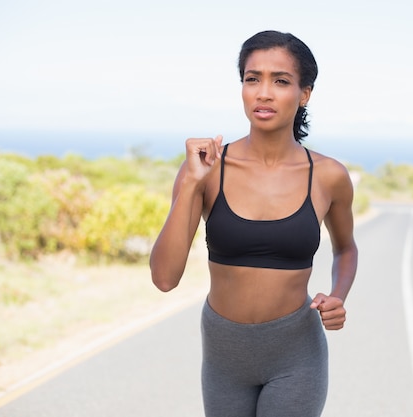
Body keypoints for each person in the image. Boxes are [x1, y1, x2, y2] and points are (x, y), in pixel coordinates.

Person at [149, 30, 358, 417]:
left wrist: (338, 294)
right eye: (252, 78)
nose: (263, 92)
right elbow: (164, 278)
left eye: (280, 81)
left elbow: (346, 248)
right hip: (223, 356)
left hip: (296, 353)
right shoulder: (205, 168)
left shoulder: (328, 175)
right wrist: (193, 182)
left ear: (305, 93)